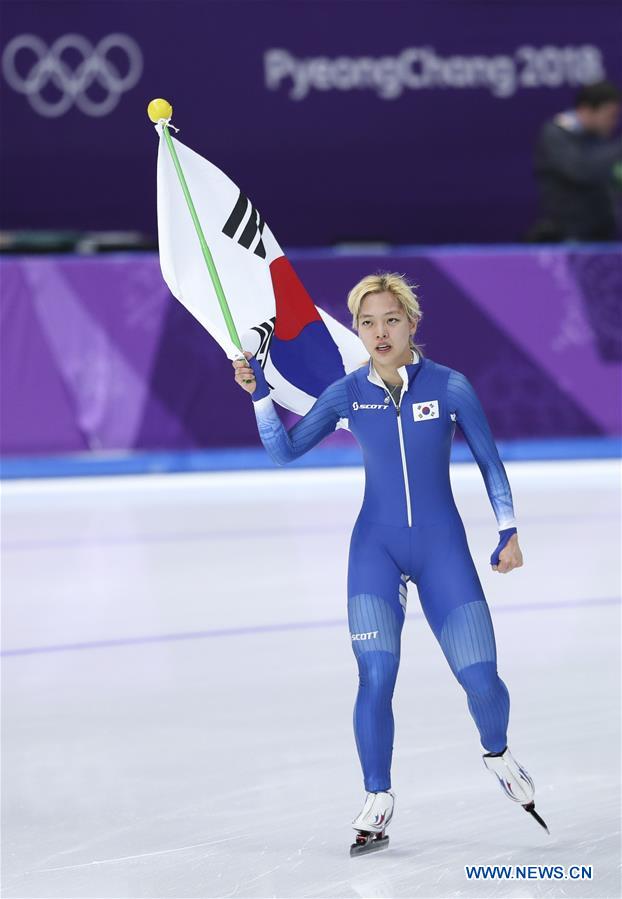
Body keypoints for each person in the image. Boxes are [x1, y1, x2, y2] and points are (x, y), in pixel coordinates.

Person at [233, 273, 548, 855]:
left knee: (480, 677)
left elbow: (490, 462)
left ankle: (499, 753)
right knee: (375, 677)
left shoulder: (452, 388)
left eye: (391, 320)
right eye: (368, 323)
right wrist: (259, 397)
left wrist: (509, 530)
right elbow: (284, 452)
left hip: (442, 547)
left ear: (412, 323)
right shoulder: (348, 392)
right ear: (357, 330)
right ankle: (377, 798)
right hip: (374, 549)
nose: (380, 332)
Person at [528, 80, 622, 242]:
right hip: (570, 237)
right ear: (586, 110)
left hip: (602, 235)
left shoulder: (598, 139)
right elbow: (581, 170)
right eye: (610, 116)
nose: (614, 123)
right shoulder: (556, 134)